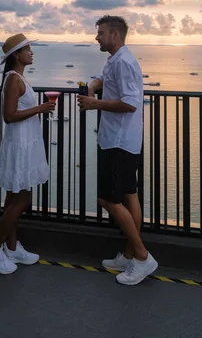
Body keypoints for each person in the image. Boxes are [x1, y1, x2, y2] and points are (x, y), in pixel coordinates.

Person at [77, 15, 158, 286]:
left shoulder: (124, 62)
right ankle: (128, 255)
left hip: (118, 141)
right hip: (122, 139)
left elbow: (130, 103)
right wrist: (93, 87)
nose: (96, 37)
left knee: (108, 199)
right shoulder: (115, 60)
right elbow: (103, 80)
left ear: (114, 35)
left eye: (100, 33)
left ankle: (143, 257)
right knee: (128, 195)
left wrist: (93, 104)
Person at [0, 33, 55, 274]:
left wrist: (38, 108)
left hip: (24, 143)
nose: (32, 53)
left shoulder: (19, 78)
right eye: (28, 49)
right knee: (22, 200)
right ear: (16, 56)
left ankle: (11, 248)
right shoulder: (14, 79)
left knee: (13, 199)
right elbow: (9, 116)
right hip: (20, 145)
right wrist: (40, 108)